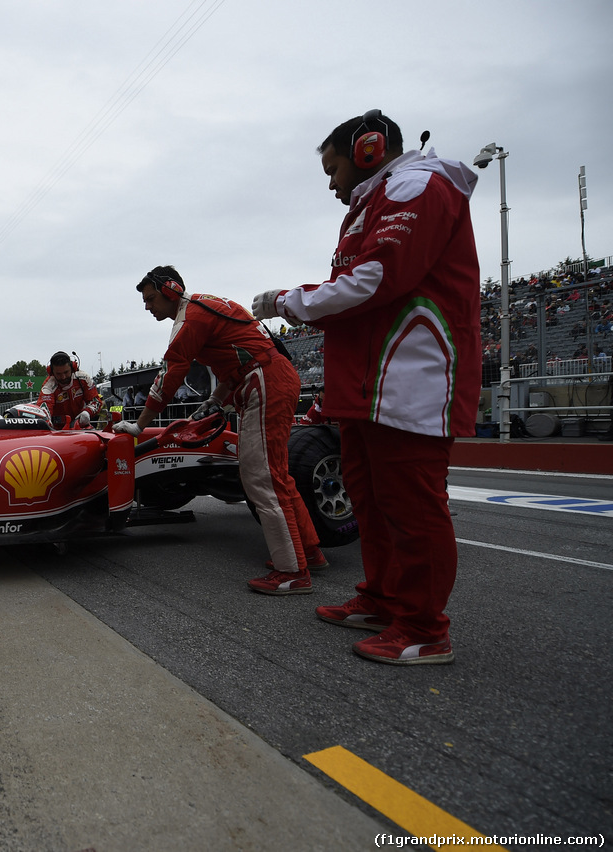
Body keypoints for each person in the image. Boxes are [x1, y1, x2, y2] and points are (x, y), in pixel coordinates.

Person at [252, 110, 481, 666]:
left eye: (333, 168)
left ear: (369, 149)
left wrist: (288, 301)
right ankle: (382, 599)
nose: (331, 183)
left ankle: (425, 629)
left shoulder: (418, 185)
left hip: (408, 378)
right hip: (364, 381)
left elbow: (377, 278)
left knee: (412, 504)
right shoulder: (374, 201)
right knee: (371, 500)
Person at [115, 267, 323, 593]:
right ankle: (308, 551)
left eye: (151, 298)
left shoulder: (190, 319)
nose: (147, 306)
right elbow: (238, 362)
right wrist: (214, 400)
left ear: (171, 290)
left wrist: (139, 425)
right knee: (277, 475)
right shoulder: (206, 306)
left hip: (264, 381)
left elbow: (170, 373)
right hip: (268, 376)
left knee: (261, 479)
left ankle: (292, 571)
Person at [36, 350, 102, 429]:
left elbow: (96, 401)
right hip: (57, 430)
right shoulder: (48, 386)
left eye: (66, 372)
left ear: (73, 368)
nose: (63, 377)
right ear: (52, 372)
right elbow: (43, 411)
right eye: (58, 374)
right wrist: (47, 424)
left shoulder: (83, 378)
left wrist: (87, 412)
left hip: (80, 425)